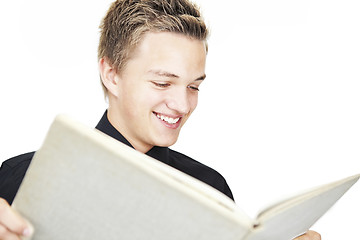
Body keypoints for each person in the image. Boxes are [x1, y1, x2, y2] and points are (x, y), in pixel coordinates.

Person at [0, 0, 321, 239]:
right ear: (111, 74)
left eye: (194, 85)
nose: (182, 104)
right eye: (163, 82)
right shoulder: (23, 179)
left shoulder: (210, 188)